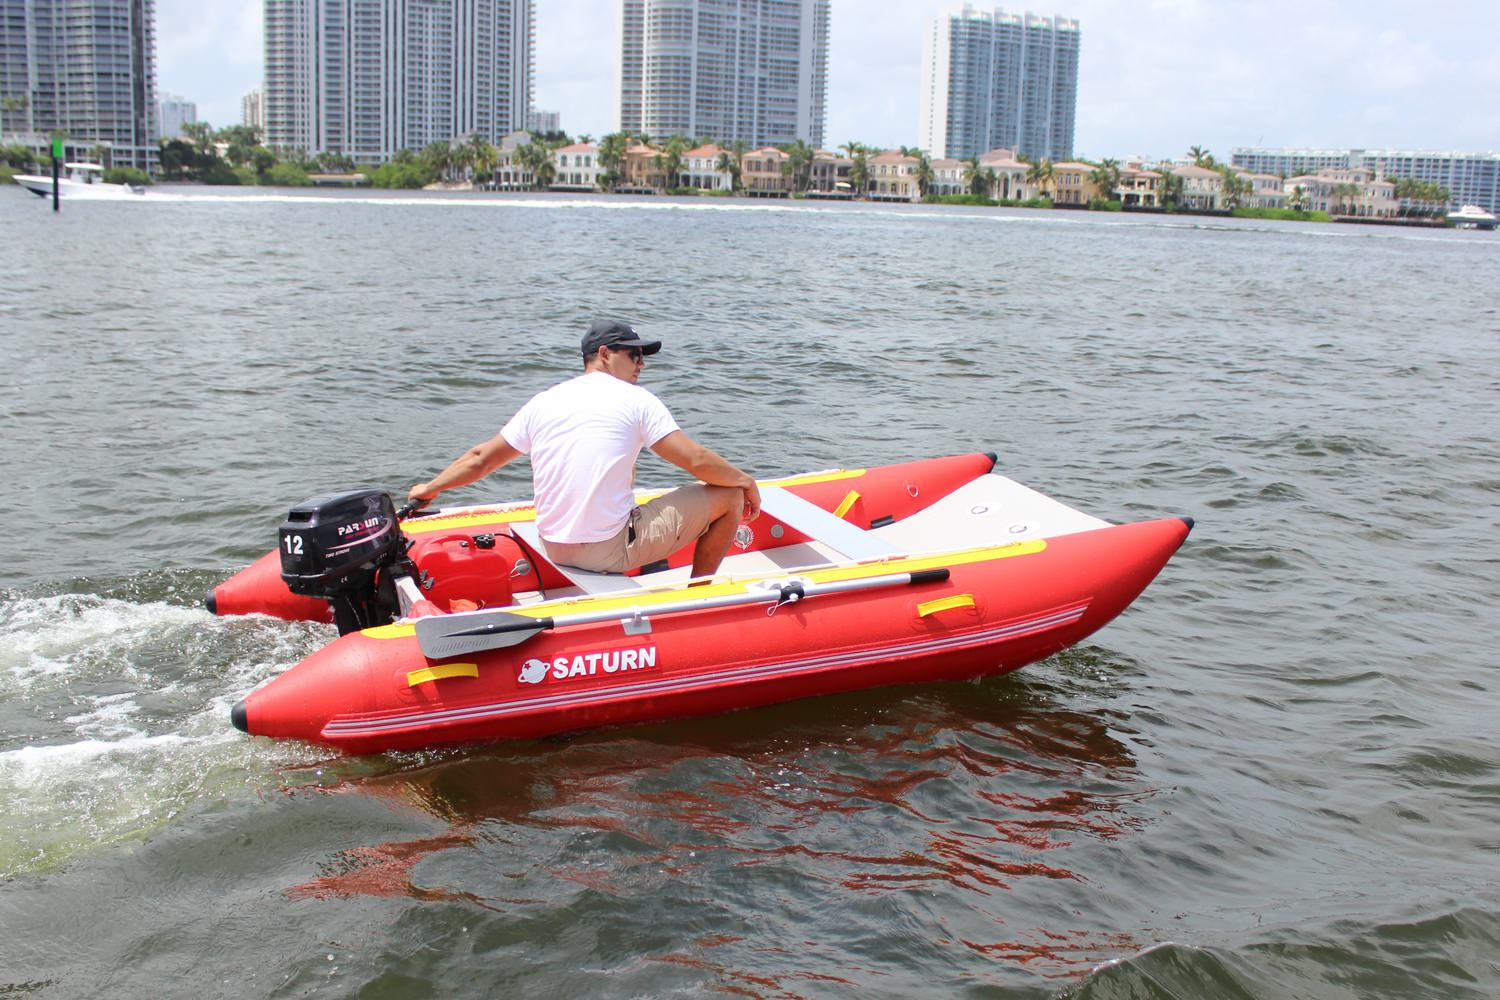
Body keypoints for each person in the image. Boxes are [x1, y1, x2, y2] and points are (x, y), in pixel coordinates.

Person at [408, 319, 761, 580]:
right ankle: (701, 594)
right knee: (727, 495)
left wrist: (430, 488)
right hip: (607, 550)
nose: (642, 364)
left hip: (553, 546)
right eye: (634, 354)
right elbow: (696, 460)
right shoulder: (637, 400)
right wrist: (745, 481)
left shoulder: (545, 400)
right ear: (605, 354)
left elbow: (481, 460)